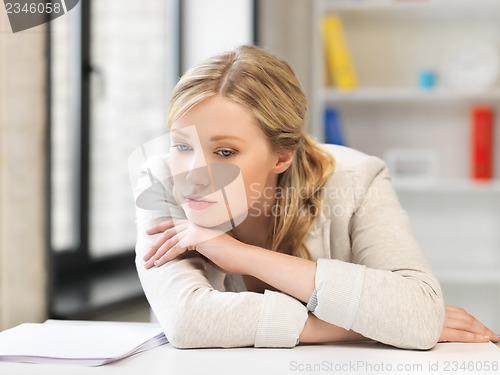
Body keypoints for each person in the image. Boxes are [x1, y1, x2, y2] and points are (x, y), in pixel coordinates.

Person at [133, 45, 499, 349]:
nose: (194, 176)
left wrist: (243, 256)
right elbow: (187, 320)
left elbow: (417, 313)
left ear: (282, 155)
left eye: (225, 152)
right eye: (182, 145)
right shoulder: (161, 179)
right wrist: (361, 325)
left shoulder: (356, 178)